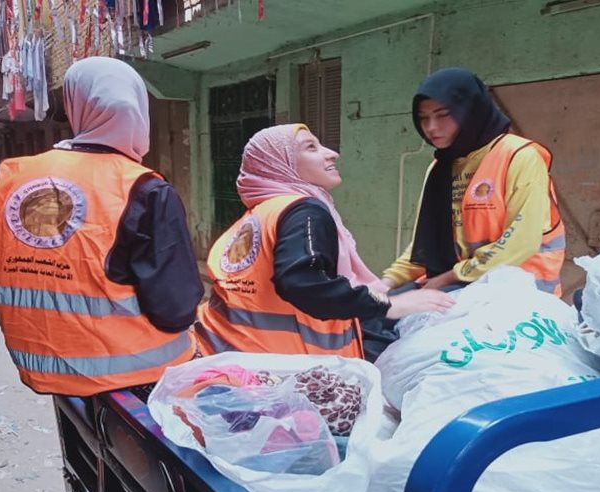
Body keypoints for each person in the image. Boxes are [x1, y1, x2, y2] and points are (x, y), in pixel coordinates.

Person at [0, 56, 203, 401]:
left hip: (40, 367)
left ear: (75, 106)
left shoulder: (9, 176)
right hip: (136, 378)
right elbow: (175, 309)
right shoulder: (143, 188)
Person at [194, 124, 455, 358]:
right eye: (311, 147)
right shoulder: (304, 210)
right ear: (279, 162)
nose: (331, 153)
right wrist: (387, 305)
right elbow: (303, 282)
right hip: (281, 367)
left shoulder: (260, 214)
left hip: (226, 353)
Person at [374, 67, 566, 296]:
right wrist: (385, 283)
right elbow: (425, 245)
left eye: (443, 115)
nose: (431, 128)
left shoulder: (519, 156)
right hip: (462, 283)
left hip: (518, 289)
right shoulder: (440, 168)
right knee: (373, 314)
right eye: (423, 118)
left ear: (470, 111)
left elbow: (520, 243)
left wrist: (449, 277)